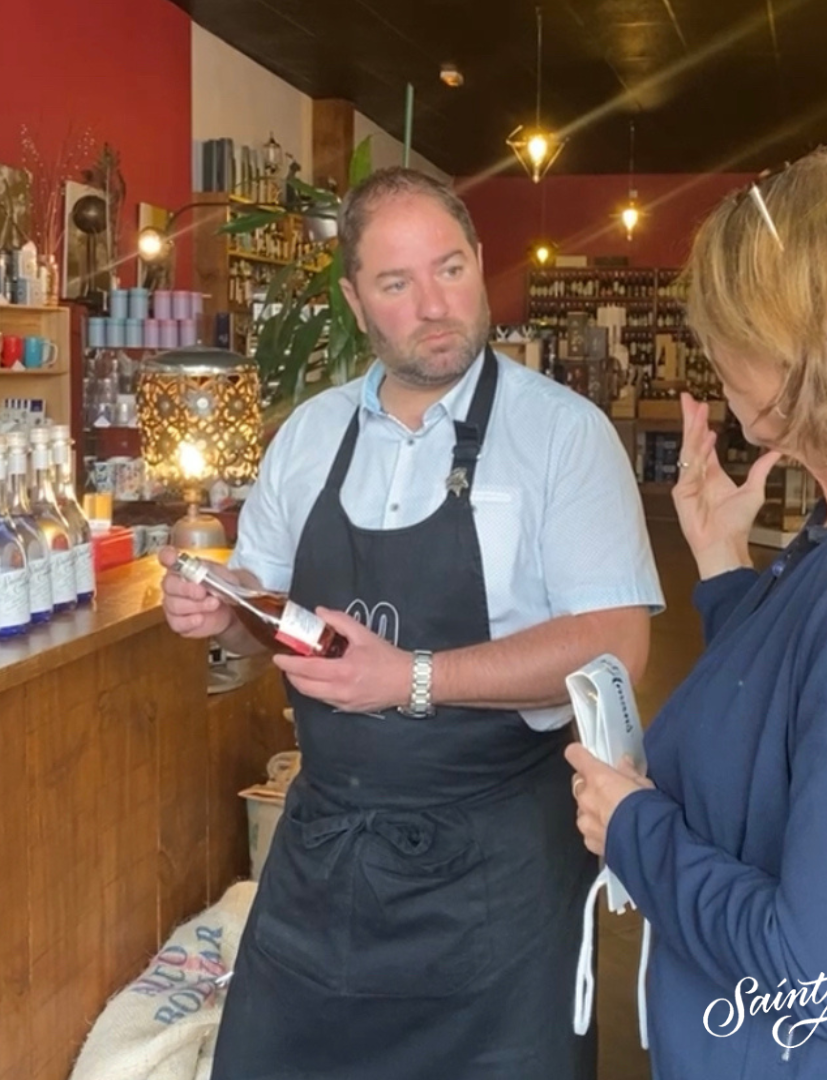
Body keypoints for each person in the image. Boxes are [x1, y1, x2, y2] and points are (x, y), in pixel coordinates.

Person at [160, 166, 664, 1079]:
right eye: (398, 284)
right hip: (326, 859)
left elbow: (615, 646)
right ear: (356, 301)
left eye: (452, 268)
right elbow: (267, 620)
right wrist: (221, 612)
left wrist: (413, 677)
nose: (437, 305)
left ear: (479, 263)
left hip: (500, 878)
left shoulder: (563, 435)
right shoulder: (307, 438)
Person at [568, 142, 827, 1080]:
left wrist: (634, 830)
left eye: (728, 327)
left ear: (812, 347)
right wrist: (721, 566)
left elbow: (821, 974)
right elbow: (811, 715)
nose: (712, 352)